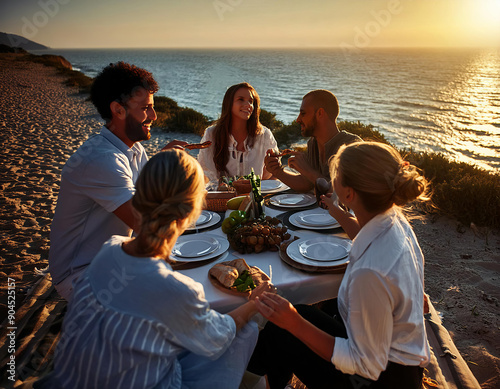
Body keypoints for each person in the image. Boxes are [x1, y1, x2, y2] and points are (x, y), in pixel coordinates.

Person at [36, 149, 274, 389]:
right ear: (191, 213)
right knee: (247, 330)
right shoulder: (176, 290)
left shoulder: (108, 250)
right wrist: (255, 302)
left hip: (75, 378)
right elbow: (219, 336)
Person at [248, 141, 431, 389]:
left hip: (378, 379)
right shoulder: (396, 222)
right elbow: (366, 238)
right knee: (300, 313)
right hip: (393, 355)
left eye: (335, 176)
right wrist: (337, 211)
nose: (330, 180)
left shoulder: (370, 271)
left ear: (349, 194)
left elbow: (364, 364)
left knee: (282, 329)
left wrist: (293, 321)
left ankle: (246, 375)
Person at [48, 62, 186, 301]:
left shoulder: (132, 150)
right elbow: (147, 222)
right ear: (118, 110)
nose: (154, 116)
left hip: (117, 256)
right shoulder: (101, 160)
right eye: (145, 108)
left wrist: (163, 161)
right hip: (82, 275)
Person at [264, 89, 361, 193]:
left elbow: (346, 194)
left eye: (303, 113)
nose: (298, 119)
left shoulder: (352, 147)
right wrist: (277, 171)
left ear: (320, 113)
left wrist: (307, 170)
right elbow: (307, 183)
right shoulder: (313, 143)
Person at [197, 82, 278, 183]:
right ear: (229, 103)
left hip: (255, 196)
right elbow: (203, 173)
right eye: (241, 99)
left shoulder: (264, 135)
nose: (248, 105)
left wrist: (262, 192)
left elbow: (275, 172)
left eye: (251, 101)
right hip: (220, 196)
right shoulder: (211, 134)